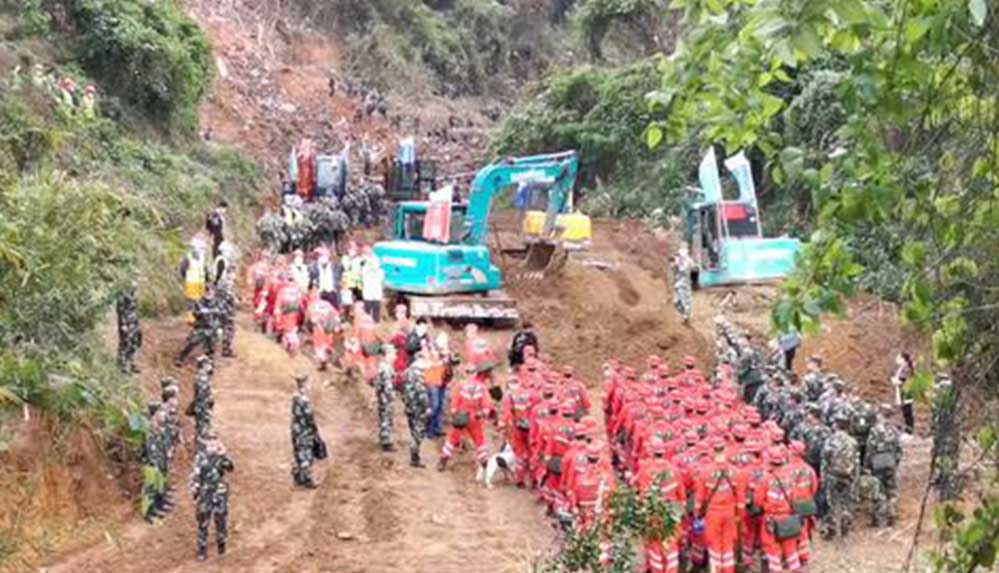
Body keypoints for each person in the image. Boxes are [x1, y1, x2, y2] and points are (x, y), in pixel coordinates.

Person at [695, 438, 744, 573]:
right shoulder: (736, 472)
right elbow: (740, 500)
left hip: (712, 513)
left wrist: (697, 515)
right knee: (728, 546)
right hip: (730, 513)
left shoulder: (705, 472)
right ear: (725, 450)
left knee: (714, 545)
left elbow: (699, 499)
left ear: (712, 451)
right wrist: (739, 517)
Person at [437, 365, 494, 472]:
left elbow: (454, 400)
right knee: (479, 441)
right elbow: (487, 404)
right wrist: (484, 413)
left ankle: (443, 461)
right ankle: (485, 463)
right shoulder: (481, 387)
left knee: (452, 439)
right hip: (475, 417)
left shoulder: (460, 385)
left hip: (461, 416)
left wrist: (454, 413)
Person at [189, 433, 234, 561]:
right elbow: (195, 476)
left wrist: (224, 454)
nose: (213, 446)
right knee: (203, 521)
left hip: (220, 492)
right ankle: (202, 549)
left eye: (215, 442)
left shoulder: (221, 457)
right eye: (211, 443)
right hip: (205, 493)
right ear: (206, 444)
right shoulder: (201, 458)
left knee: (221, 519)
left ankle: (221, 545)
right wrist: (195, 490)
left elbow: (230, 467)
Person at [820, 414, 859, 539]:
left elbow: (825, 458)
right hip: (847, 475)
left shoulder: (830, 440)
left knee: (831, 502)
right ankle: (845, 525)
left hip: (833, 475)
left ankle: (830, 529)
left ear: (836, 425)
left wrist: (823, 476)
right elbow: (856, 460)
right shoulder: (853, 441)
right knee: (845, 502)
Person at [864, 406, 901, 527]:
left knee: (878, 491)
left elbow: (870, 448)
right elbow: (899, 449)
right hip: (890, 461)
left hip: (878, 462)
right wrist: (896, 461)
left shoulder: (875, 430)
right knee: (892, 491)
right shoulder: (894, 430)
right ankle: (892, 516)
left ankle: (878, 519)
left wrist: (867, 464)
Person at [931, 373, 961, 501]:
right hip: (951, 431)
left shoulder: (939, 394)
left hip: (942, 431)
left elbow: (935, 415)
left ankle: (945, 486)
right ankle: (948, 488)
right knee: (950, 458)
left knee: (942, 456)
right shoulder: (952, 393)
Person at [176, 288, 221, 367]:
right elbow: (193, 313)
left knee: (211, 346)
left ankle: (209, 362)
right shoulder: (198, 302)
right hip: (201, 327)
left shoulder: (216, 302)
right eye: (206, 291)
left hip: (211, 327)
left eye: (210, 291)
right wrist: (200, 313)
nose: (208, 293)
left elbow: (220, 313)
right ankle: (181, 358)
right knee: (192, 342)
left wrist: (214, 312)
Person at [402, 350, 431, 467]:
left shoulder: (408, 371)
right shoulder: (418, 373)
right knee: (419, 431)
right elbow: (421, 393)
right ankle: (414, 457)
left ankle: (415, 455)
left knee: (413, 428)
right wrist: (427, 407)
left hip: (409, 405)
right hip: (418, 406)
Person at [290, 375, 320, 488]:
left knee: (298, 452)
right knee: (306, 454)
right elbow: (309, 417)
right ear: (304, 384)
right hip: (304, 430)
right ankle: (307, 478)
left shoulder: (295, 397)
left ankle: (297, 476)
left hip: (295, 429)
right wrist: (314, 430)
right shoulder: (304, 400)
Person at [142, 402, 170, 523]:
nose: (162, 414)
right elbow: (149, 451)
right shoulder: (149, 431)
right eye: (160, 412)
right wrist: (154, 464)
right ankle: (147, 513)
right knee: (150, 489)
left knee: (157, 487)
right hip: (151, 465)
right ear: (154, 415)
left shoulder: (157, 428)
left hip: (158, 463)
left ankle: (155, 508)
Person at [213, 241, 237, 358]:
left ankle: (221, 347)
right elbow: (219, 280)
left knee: (221, 322)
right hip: (222, 296)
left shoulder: (221, 261)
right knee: (227, 323)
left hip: (222, 295)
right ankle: (224, 348)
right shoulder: (221, 262)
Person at [179, 237, 210, 325]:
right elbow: (182, 270)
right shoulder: (188, 257)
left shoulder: (202, 258)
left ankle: (199, 317)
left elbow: (204, 270)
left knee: (200, 300)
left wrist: (207, 281)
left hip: (200, 283)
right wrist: (186, 278)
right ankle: (190, 318)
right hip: (191, 282)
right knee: (191, 300)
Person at [186, 356, 215, 445]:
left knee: (201, 426)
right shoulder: (202, 378)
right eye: (208, 364)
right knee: (203, 426)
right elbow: (202, 395)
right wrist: (208, 403)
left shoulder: (201, 376)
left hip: (201, 405)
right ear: (204, 365)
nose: (210, 365)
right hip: (203, 406)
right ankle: (202, 445)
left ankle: (200, 443)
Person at [372, 345, 397, 451]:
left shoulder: (383, 367)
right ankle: (386, 441)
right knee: (386, 418)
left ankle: (385, 438)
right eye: (392, 354)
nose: (394, 356)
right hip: (386, 398)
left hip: (383, 397)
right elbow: (387, 386)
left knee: (385, 418)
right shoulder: (385, 368)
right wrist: (391, 395)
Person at [116, 282, 143, 374]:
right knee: (125, 343)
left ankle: (132, 364)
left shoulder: (133, 294)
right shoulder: (123, 295)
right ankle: (122, 365)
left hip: (134, 322)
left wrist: (138, 324)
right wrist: (123, 324)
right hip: (126, 324)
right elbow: (120, 310)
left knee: (134, 343)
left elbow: (135, 309)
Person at [891, 352, 915, 435]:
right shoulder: (901, 368)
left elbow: (906, 381)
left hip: (906, 393)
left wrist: (897, 381)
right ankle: (907, 430)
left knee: (907, 412)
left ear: (903, 359)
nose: (897, 359)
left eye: (899, 358)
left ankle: (909, 431)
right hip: (902, 392)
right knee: (905, 412)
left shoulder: (906, 368)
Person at [670, 246, 695, 325]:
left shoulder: (687, 263)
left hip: (684, 285)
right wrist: (674, 262)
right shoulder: (677, 263)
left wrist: (679, 261)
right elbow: (673, 269)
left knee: (685, 302)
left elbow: (685, 269)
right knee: (676, 302)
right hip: (677, 285)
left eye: (679, 255)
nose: (678, 257)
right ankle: (683, 315)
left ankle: (686, 317)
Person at [360, 245, 384, 322]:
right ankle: (367, 319)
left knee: (376, 303)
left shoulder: (376, 258)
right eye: (365, 251)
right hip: (367, 283)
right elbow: (361, 269)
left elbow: (376, 268)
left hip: (375, 283)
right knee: (367, 303)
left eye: (368, 250)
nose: (367, 252)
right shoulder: (362, 259)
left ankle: (376, 320)